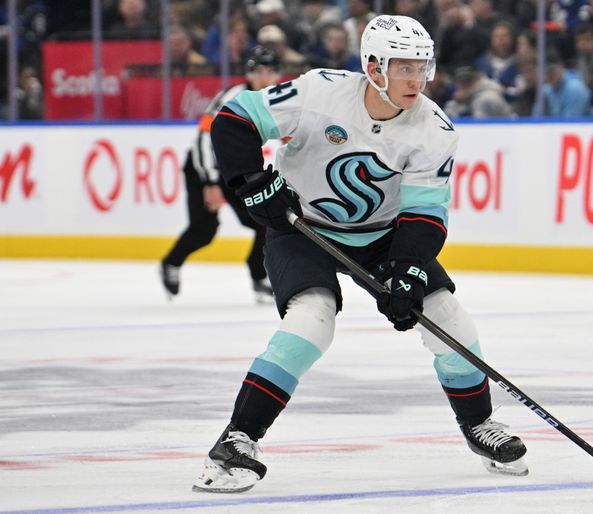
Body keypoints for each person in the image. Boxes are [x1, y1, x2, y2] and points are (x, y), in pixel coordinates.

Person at [192, 14, 528, 493]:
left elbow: (425, 216)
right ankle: (238, 438)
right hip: (302, 227)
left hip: (382, 236)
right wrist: (251, 184)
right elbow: (234, 119)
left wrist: (408, 273)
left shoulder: (434, 130)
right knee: (312, 318)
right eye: (404, 67)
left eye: (422, 67)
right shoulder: (318, 93)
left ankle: (478, 425)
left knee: (448, 316)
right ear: (373, 67)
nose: (416, 79)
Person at [159, 46, 284, 302]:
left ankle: (259, 278)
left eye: (270, 71)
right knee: (204, 230)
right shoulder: (234, 97)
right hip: (204, 169)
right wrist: (210, 182)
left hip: (236, 170)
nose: (265, 76)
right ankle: (171, 263)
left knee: (265, 219)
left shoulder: (277, 98)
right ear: (249, 72)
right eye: (259, 70)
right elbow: (205, 137)